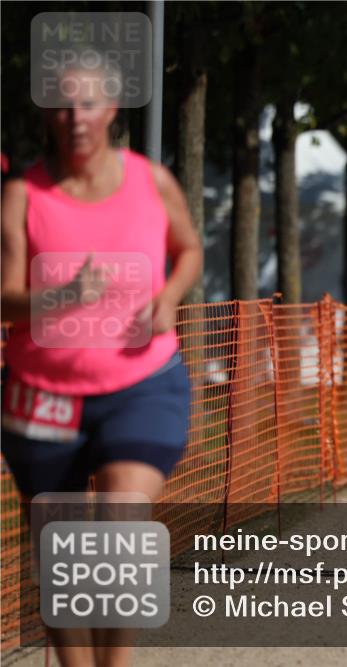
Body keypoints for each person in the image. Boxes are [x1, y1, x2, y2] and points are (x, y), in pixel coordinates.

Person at [0, 58, 202, 666]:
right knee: (59, 557)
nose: (75, 118)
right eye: (62, 105)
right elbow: (4, 299)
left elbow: (188, 246)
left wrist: (169, 298)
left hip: (143, 381)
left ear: (113, 109)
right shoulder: (21, 196)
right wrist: (59, 296)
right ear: (47, 114)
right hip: (44, 391)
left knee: (121, 524)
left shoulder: (152, 181)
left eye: (87, 104)